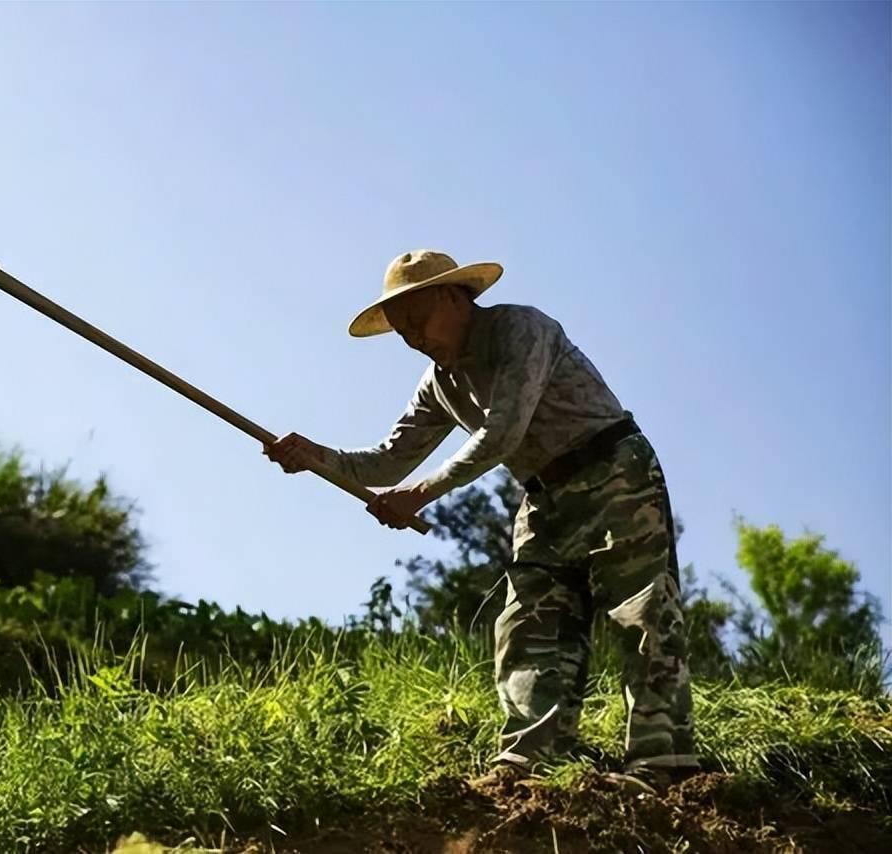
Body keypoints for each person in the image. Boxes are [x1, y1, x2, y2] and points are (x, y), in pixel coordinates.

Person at [263, 249, 698, 794]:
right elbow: (389, 460)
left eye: (416, 321)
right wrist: (316, 457)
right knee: (528, 623)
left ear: (453, 297)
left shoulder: (521, 329)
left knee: (642, 610)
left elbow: (503, 432)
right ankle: (533, 757)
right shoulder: (439, 383)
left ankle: (662, 762)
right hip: (543, 497)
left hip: (614, 471)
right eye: (401, 333)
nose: (413, 340)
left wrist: (421, 493)